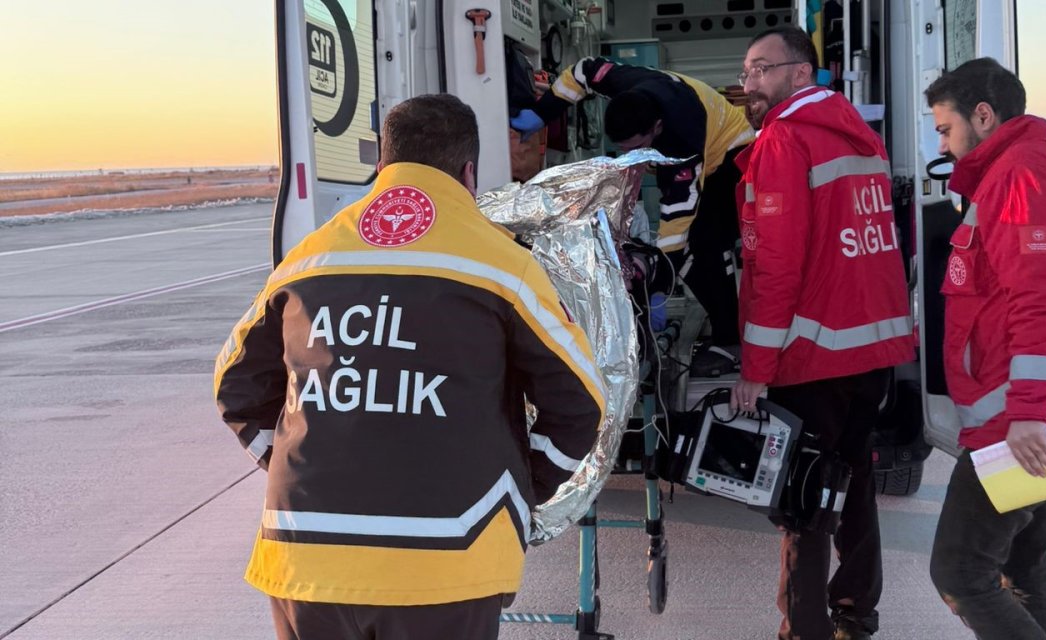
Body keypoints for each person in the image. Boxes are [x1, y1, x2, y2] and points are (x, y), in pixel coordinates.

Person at [213, 94, 604, 640]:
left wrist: (288, 462)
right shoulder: (502, 265)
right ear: (469, 171)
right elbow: (581, 400)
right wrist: (521, 486)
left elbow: (234, 384)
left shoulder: (309, 256)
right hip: (449, 557)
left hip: (305, 558)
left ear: (382, 164)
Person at [730, 27, 916, 640]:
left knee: (804, 500)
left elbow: (777, 266)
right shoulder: (858, 137)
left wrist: (755, 369)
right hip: (870, 351)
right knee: (856, 485)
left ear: (801, 73)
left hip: (812, 358)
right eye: (747, 70)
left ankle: (802, 628)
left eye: (762, 69)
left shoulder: (786, 139)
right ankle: (855, 614)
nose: (749, 82)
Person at [924, 58, 1046, 640]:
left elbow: (1040, 299)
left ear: (984, 115)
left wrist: (1029, 412)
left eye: (946, 129)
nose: (945, 145)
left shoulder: (1022, 174)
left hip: (1024, 423)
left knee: (960, 571)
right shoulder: (1029, 166)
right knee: (1027, 568)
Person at [511, 57, 754, 377]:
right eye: (624, 149)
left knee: (704, 242)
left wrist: (659, 287)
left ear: (656, 129)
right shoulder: (623, 82)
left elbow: (675, 225)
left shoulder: (682, 139)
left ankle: (730, 340)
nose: (631, 158)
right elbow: (582, 71)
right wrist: (543, 114)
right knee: (688, 252)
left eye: (637, 148)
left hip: (730, 155)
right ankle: (725, 320)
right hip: (689, 124)